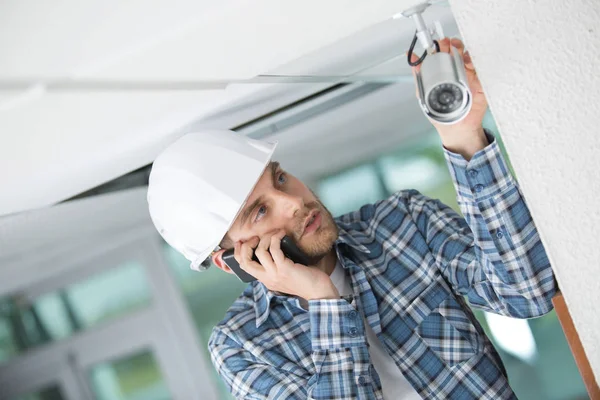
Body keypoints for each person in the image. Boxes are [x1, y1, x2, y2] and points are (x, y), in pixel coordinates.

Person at [147, 38, 556, 399]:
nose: (292, 202)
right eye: (260, 210)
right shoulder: (242, 347)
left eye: (281, 179)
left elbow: (527, 292)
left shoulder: (402, 223)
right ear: (230, 259)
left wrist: (464, 137)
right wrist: (325, 302)